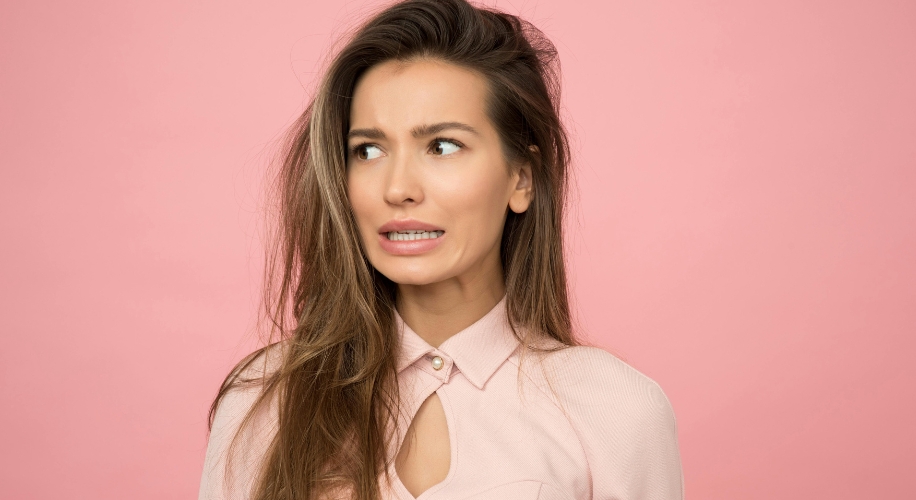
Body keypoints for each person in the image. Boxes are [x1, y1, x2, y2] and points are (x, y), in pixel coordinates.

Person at [198, 0, 684, 498]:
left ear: (522, 178)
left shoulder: (613, 409)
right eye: (368, 150)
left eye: (442, 146)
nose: (398, 187)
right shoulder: (264, 401)